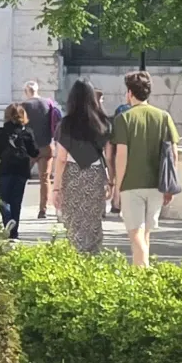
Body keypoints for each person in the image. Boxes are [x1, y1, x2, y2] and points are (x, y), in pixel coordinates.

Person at [110, 69, 180, 267]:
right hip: (156, 184)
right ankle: (141, 275)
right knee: (145, 233)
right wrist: (170, 184)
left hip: (131, 184)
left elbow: (121, 156)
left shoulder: (124, 118)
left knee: (135, 234)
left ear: (130, 93)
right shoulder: (163, 117)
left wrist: (117, 187)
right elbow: (174, 154)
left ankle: (145, 271)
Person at [50, 79, 113, 253]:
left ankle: (76, 257)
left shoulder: (66, 124)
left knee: (73, 222)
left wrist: (56, 188)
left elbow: (61, 158)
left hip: (72, 174)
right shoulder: (104, 122)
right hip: (95, 174)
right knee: (93, 222)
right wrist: (111, 181)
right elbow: (108, 156)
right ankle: (93, 257)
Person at [0, 103, 38, 236]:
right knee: (16, 201)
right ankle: (14, 233)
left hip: (4, 169)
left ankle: (8, 219)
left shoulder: (0, 132)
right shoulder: (27, 132)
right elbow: (34, 152)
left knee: (2, 199)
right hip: (21, 170)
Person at [21, 79, 63, 221]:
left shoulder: (24, 106)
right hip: (46, 145)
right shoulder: (48, 103)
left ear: (26, 91)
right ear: (37, 90)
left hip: (29, 148)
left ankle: (17, 204)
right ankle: (42, 210)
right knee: (44, 178)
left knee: (20, 176)